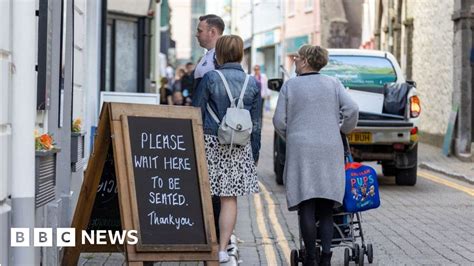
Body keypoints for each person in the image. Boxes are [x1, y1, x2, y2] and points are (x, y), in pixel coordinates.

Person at [273, 45, 359, 266]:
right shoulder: (333, 84)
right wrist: (342, 130)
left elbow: (279, 121)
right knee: (325, 206)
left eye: (296, 58)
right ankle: (327, 258)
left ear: (305, 61)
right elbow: (352, 110)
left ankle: (310, 257)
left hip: (301, 150)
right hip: (329, 148)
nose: (294, 62)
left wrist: (291, 135)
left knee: (306, 204)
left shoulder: (290, 86)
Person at [193, 35, 262, 263]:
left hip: (211, 142)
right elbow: (257, 123)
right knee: (228, 198)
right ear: (241, 54)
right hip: (239, 145)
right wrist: (254, 153)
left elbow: (196, 114)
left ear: (219, 54)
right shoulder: (252, 83)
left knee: (204, 194)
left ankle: (203, 244)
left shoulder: (211, 78)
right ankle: (222, 249)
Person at [192, 13, 226, 243]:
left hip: (210, 131)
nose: (197, 33)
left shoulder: (219, 60)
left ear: (212, 32)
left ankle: (214, 237)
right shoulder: (207, 57)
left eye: (200, 30)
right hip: (202, 127)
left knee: (213, 184)